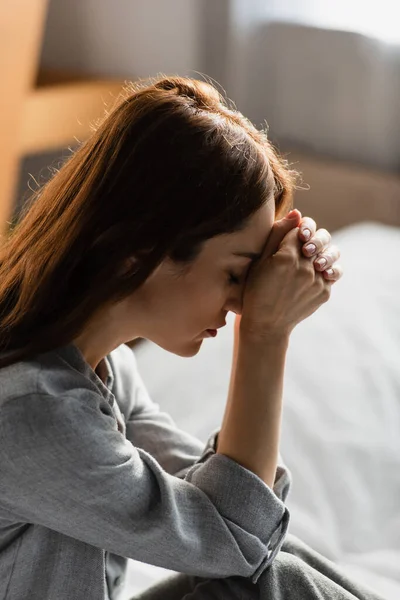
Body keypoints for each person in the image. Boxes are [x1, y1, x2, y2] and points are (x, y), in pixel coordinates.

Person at [0, 75, 382, 600]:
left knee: (271, 574)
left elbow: (241, 523)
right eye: (235, 274)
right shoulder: (33, 412)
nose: (240, 302)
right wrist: (265, 336)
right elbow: (233, 535)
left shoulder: (100, 367)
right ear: (144, 252)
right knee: (272, 578)